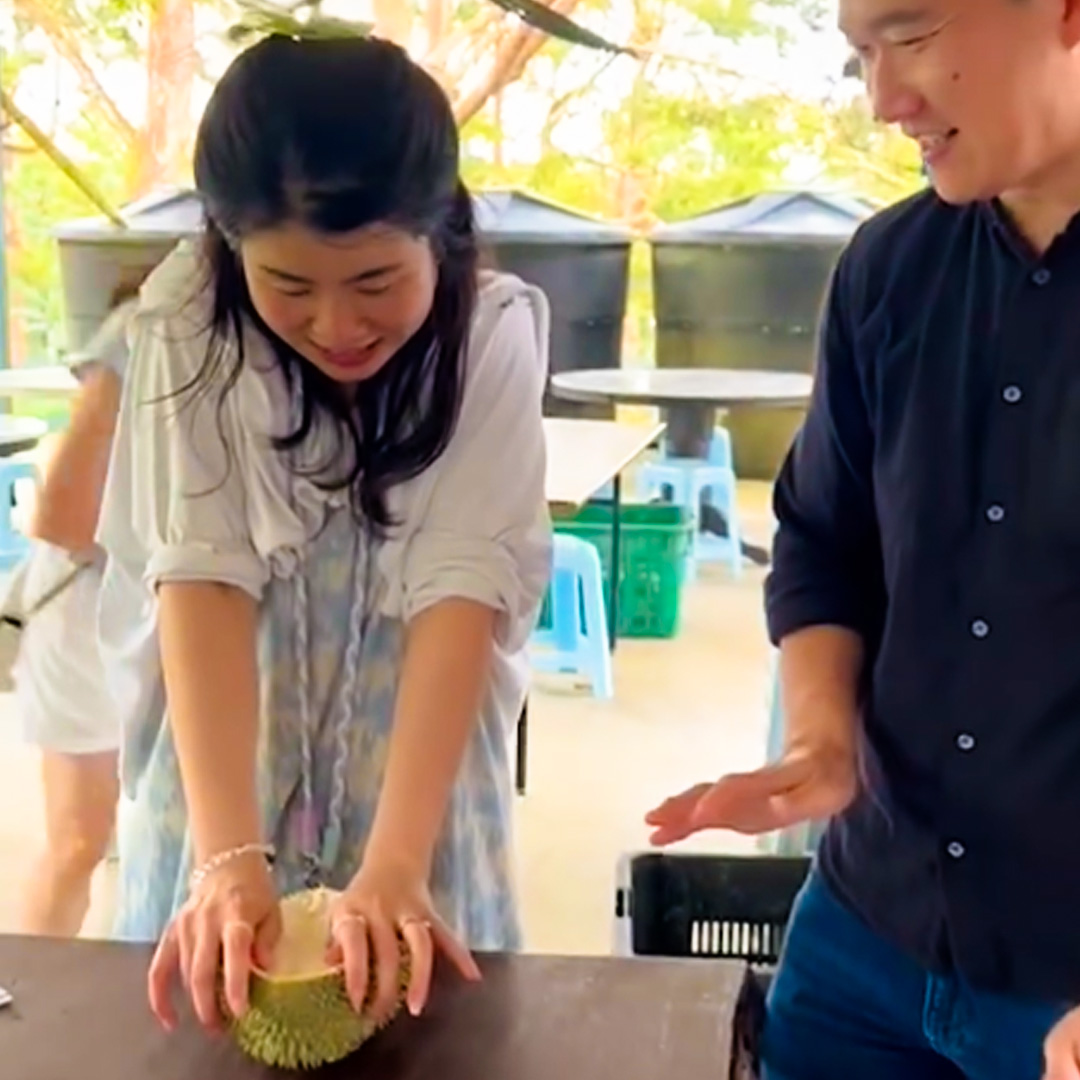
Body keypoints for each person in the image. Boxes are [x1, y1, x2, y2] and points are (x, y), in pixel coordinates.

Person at [644, 2, 1080, 1079]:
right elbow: (825, 540)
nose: (885, 100)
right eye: (860, 57)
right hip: (859, 939)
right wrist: (819, 742)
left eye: (915, 34)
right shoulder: (886, 270)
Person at [94, 33, 552, 1035]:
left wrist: (395, 865)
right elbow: (201, 581)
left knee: (427, 1024)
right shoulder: (186, 322)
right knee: (211, 1013)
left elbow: (459, 591)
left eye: (376, 282)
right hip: (227, 748)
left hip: (418, 759)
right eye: (289, 287)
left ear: (437, 235)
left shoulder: (490, 334)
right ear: (231, 247)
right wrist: (225, 858)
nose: (338, 326)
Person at [14, 290, 137, 937]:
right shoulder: (144, 325)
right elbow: (61, 516)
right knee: (79, 841)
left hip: (185, 613)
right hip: (89, 610)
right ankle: (29, 1009)